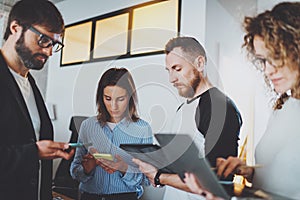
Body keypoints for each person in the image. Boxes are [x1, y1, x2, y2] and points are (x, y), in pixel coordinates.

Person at [185, 2, 300, 199]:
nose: (268, 70)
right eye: (263, 60)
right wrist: (248, 171)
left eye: (276, 57)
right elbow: (282, 180)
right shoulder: (284, 108)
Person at [133, 36, 242, 200]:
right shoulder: (184, 107)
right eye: (169, 70)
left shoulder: (219, 108)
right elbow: (182, 165)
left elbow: (217, 182)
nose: (171, 79)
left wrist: (158, 177)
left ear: (199, 63)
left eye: (177, 69)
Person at [0, 1, 75, 200]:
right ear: (15, 28)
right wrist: (32, 153)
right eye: (43, 40)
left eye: (54, 44)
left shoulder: (30, 83)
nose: (49, 51)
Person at [70, 67, 153, 200]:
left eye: (120, 99)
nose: (113, 106)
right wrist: (87, 169)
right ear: (101, 97)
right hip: (89, 196)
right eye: (108, 98)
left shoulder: (142, 129)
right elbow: (75, 172)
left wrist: (124, 168)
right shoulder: (87, 125)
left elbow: (148, 179)